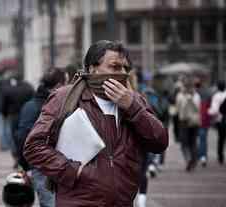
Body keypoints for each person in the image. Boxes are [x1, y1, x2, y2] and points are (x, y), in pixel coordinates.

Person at [23, 40, 168, 206]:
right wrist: (73, 171)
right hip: (78, 201)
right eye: (114, 67)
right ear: (93, 68)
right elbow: (33, 147)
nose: (122, 73)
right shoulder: (64, 98)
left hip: (122, 201)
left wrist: (132, 107)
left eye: (125, 68)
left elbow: (160, 142)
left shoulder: (134, 100)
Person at [16, 68, 68, 207]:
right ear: (58, 86)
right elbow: (23, 137)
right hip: (44, 163)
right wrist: (26, 164)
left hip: (51, 164)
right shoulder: (55, 106)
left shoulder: (31, 106)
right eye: (66, 83)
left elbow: (21, 136)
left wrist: (24, 163)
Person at [176, 77, 201, 171]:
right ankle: (194, 161)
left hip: (184, 122)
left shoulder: (180, 96)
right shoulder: (197, 95)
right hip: (195, 122)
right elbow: (198, 109)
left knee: (184, 143)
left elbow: (178, 109)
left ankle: (188, 159)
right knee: (193, 142)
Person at [208, 80, 226, 165]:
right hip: (222, 120)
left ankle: (220, 157)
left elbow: (214, 110)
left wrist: (208, 112)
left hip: (220, 120)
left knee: (221, 139)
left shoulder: (216, 96)